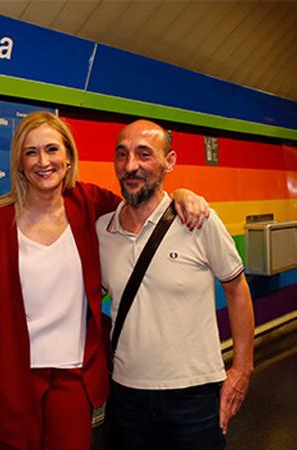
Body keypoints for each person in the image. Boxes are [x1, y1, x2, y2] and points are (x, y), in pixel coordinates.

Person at [0, 112, 209, 450]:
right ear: (20, 161)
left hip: (73, 376)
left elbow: (142, 203)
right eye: (31, 152)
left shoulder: (89, 203)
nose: (43, 161)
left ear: (68, 156)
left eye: (51, 149)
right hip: (12, 373)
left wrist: (180, 193)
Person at [96, 119, 254, 450]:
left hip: (194, 397)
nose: (130, 166)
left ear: (170, 162)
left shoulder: (198, 220)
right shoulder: (102, 230)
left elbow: (237, 289)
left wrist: (242, 369)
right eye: (122, 155)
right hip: (127, 396)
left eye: (144, 154)